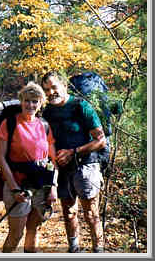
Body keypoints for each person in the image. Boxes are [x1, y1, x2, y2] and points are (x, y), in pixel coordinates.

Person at [41, 71, 106, 253]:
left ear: (64, 86)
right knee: (69, 213)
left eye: (54, 87)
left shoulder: (80, 106)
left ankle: (98, 251)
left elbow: (101, 141)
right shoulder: (48, 111)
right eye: (46, 89)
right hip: (62, 170)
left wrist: (74, 152)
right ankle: (74, 249)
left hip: (86, 166)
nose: (50, 92)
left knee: (91, 214)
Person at [0, 82, 58, 253]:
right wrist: (14, 189)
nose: (31, 105)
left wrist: (53, 187)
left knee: (33, 230)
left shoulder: (44, 126)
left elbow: (52, 160)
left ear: (40, 104)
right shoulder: (9, 124)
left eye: (35, 101)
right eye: (27, 101)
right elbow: (1, 158)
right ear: (21, 101)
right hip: (18, 185)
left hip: (41, 186)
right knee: (16, 233)